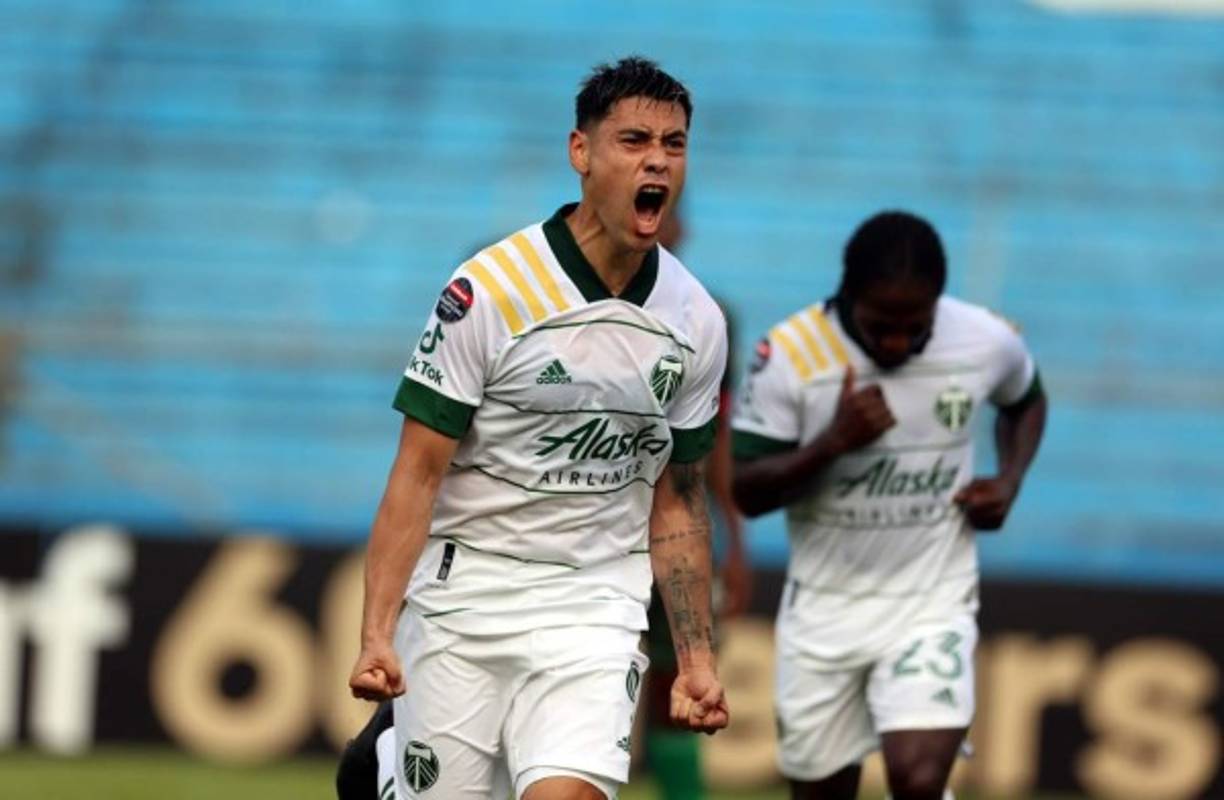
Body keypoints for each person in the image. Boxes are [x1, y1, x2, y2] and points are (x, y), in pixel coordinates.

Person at [346, 56, 730, 800]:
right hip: (466, 596)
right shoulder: (488, 290)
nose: (657, 159)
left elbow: (681, 499)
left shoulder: (696, 321)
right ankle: (389, 762)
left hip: (595, 604)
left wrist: (696, 658)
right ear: (581, 152)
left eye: (674, 144)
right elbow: (418, 473)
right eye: (634, 140)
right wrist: (376, 635)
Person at [731, 211, 1047, 800]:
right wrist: (832, 443)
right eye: (881, 327)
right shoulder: (792, 355)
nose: (898, 342)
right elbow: (746, 492)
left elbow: (1026, 400)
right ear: (847, 297)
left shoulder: (983, 338)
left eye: (915, 327)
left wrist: (1009, 480)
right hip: (824, 609)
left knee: (917, 778)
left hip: (931, 601)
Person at [641, 211, 751, 800]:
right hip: (595, 527)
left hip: (674, 525)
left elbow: (718, 439)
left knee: (677, 683)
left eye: (669, 214)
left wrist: (734, 539)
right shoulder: (580, 313)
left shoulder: (708, 320)